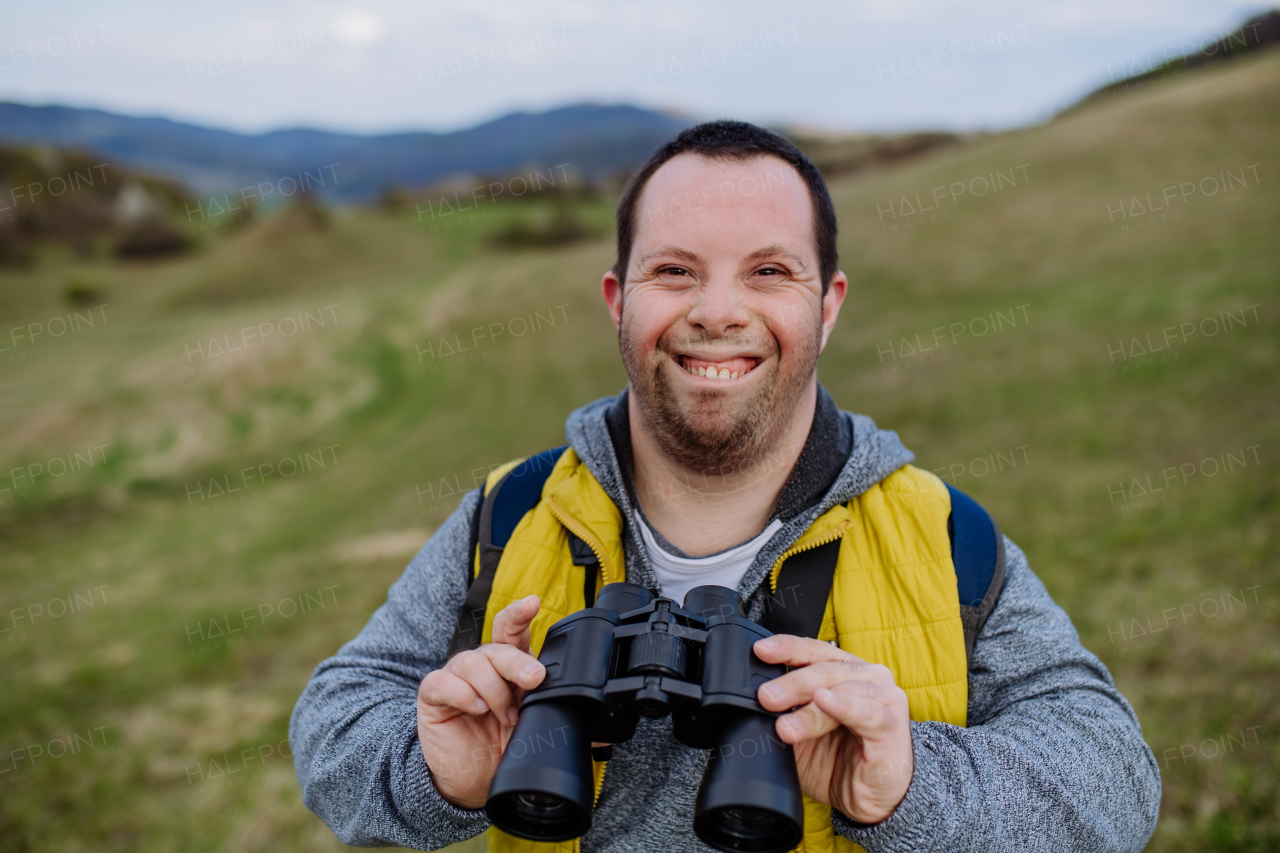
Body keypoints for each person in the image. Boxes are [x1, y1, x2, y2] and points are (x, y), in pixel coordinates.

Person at [290, 120, 1161, 852]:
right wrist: (433, 769)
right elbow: (332, 721)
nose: (716, 310)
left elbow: (1115, 784)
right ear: (615, 300)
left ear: (829, 304)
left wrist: (909, 784)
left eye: (769, 272)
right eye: (674, 270)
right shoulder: (512, 512)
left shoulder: (941, 534)